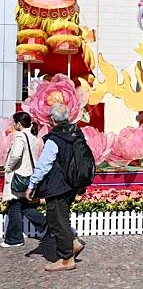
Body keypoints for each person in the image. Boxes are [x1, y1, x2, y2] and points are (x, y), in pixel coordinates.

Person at [25, 103, 86, 272]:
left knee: (56, 220)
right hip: (72, 184)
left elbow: (44, 165)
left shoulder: (55, 138)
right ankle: (73, 243)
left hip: (58, 186)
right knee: (62, 217)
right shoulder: (76, 133)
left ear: (52, 119)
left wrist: (32, 185)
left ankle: (66, 259)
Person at [1, 112, 47, 247]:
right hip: (29, 176)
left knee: (14, 206)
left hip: (18, 176)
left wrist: (8, 167)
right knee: (25, 206)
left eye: (14, 122)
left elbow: (16, 155)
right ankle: (47, 226)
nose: (13, 125)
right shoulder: (33, 136)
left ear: (19, 124)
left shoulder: (21, 136)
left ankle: (14, 239)